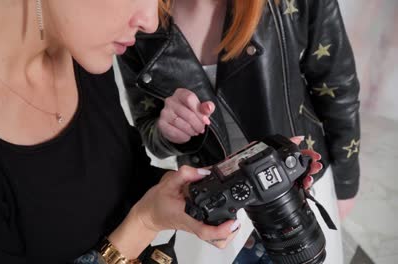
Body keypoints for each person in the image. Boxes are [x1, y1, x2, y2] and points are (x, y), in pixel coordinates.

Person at [0, 0, 257, 263]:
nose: (151, 21)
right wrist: (143, 223)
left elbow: (114, 179)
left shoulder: (75, 46)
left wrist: (217, 185)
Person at [117, 0, 360, 263]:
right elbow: (148, 130)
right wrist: (169, 131)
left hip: (296, 184)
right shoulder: (136, 16)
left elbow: (337, 87)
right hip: (215, 207)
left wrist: (346, 184)